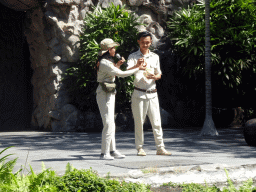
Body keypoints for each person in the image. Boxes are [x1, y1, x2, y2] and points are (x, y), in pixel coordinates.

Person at [96, 38, 146, 160]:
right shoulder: (104, 62)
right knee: (108, 123)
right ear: (108, 50)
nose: (115, 50)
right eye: (112, 48)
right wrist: (138, 68)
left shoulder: (108, 61)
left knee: (111, 123)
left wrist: (118, 65)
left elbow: (113, 72)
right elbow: (121, 74)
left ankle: (112, 150)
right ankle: (104, 153)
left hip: (109, 92)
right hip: (104, 93)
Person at [127, 31, 172, 156]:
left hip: (152, 93)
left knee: (157, 122)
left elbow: (159, 74)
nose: (145, 45)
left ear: (151, 42)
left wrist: (155, 77)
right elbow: (127, 71)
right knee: (139, 122)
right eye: (143, 43)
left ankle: (160, 148)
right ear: (138, 42)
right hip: (139, 93)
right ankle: (140, 148)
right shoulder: (133, 56)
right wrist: (137, 65)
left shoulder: (155, 56)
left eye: (147, 42)